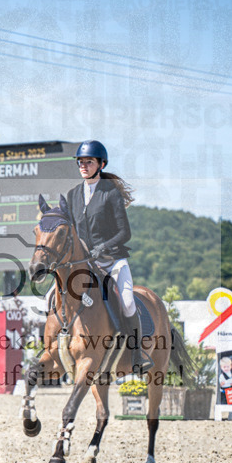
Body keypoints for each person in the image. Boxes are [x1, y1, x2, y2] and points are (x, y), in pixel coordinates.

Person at [64, 140, 149, 370]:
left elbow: (125, 232)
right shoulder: (73, 195)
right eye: (81, 162)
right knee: (55, 293)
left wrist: (103, 247)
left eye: (89, 162)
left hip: (112, 261)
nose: (83, 165)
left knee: (129, 303)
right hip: (84, 264)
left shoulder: (110, 193)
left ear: (101, 164)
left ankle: (137, 354)